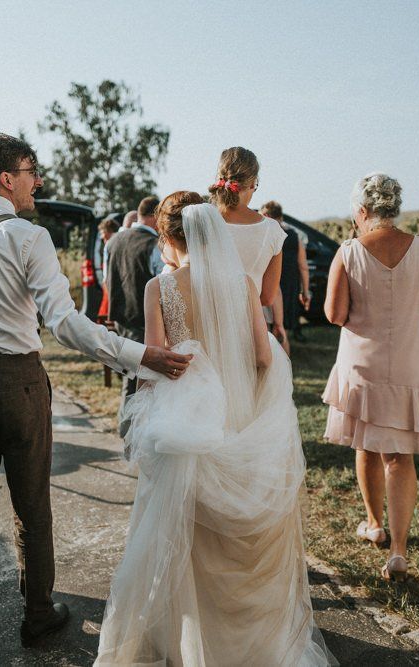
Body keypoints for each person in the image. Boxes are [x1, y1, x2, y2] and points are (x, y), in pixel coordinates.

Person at [0, 135, 191, 666]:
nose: (37, 181)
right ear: (7, 179)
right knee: (31, 509)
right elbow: (64, 323)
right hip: (17, 383)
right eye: (31, 171)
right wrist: (141, 356)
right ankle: (38, 618)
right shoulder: (27, 236)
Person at [95, 200, 336, 666]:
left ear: (168, 240)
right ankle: (251, 644)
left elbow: (151, 369)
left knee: (185, 536)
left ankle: (192, 645)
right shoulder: (243, 284)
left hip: (186, 430)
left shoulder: (160, 289)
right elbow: (263, 358)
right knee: (240, 544)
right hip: (241, 422)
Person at [322, 173, 419, 582]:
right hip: (410, 362)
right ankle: (398, 551)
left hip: (362, 365)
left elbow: (335, 315)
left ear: (362, 211)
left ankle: (373, 523)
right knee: (401, 456)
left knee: (366, 443)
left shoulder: (347, 252)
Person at [210, 148, 285, 330]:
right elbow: (267, 297)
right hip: (248, 326)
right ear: (252, 183)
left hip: (207, 325)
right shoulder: (272, 230)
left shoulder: (203, 221)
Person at [106, 195, 163, 423]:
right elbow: (163, 285)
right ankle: (129, 428)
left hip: (120, 317)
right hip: (142, 321)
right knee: (138, 379)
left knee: (130, 374)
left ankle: (127, 425)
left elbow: (107, 278)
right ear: (155, 217)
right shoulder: (154, 247)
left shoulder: (114, 241)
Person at [260, 200, 310, 344]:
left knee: (268, 328)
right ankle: (284, 359)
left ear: (267, 216)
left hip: (270, 284)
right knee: (283, 327)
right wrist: (305, 291)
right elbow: (303, 266)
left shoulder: (266, 236)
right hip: (290, 285)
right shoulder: (294, 236)